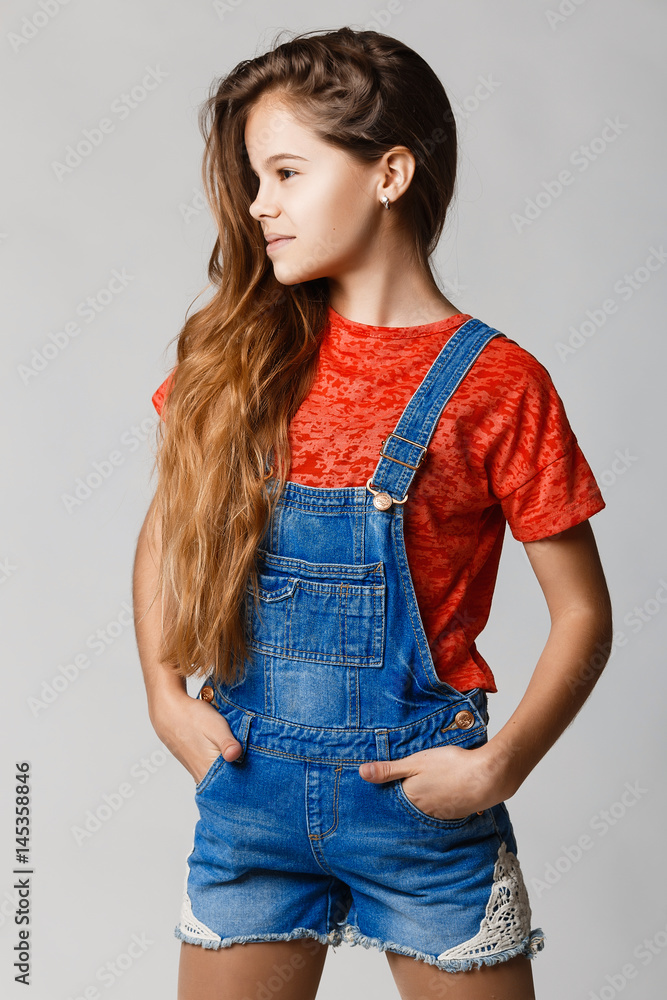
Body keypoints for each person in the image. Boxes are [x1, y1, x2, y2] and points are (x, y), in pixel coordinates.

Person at [132, 26, 613, 1000]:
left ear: (388, 171)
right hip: (249, 808)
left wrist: (498, 767)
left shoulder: (497, 383)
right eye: (252, 179)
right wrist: (162, 694)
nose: (259, 205)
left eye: (284, 172)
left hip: (419, 815)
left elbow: (583, 614)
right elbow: (163, 530)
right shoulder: (241, 360)